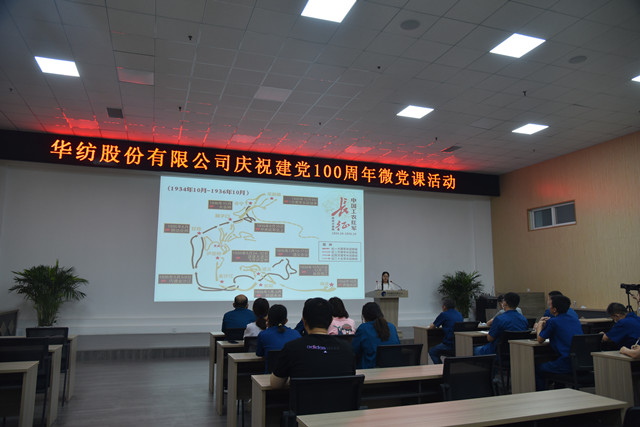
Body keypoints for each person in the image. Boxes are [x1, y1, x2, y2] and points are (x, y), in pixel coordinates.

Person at [271, 297, 356, 388]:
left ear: (304, 321)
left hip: (304, 397)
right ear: (331, 320)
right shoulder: (347, 349)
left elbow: (275, 384)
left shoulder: (292, 348)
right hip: (338, 397)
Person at [534, 295, 584, 390]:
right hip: (580, 362)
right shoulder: (575, 320)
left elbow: (540, 339)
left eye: (550, 306)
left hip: (566, 363)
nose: (549, 308)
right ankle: (559, 389)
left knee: (537, 368)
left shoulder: (553, 322)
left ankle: (542, 394)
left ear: (554, 309)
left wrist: (539, 325)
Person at [352, 302, 400, 368]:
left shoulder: (363, 328)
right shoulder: (392, 327)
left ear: (364, 316)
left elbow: (354, 351)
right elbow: (398, 348)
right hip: (392, 369)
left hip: (369, 370)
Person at [427, 298, 464, 364]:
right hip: (459, 343)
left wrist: (432, 324)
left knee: (432, 351)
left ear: (444, 307)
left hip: (449, 343)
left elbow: (432, 327)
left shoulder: (444, 314)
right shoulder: (459, 314)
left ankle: (440, 367)